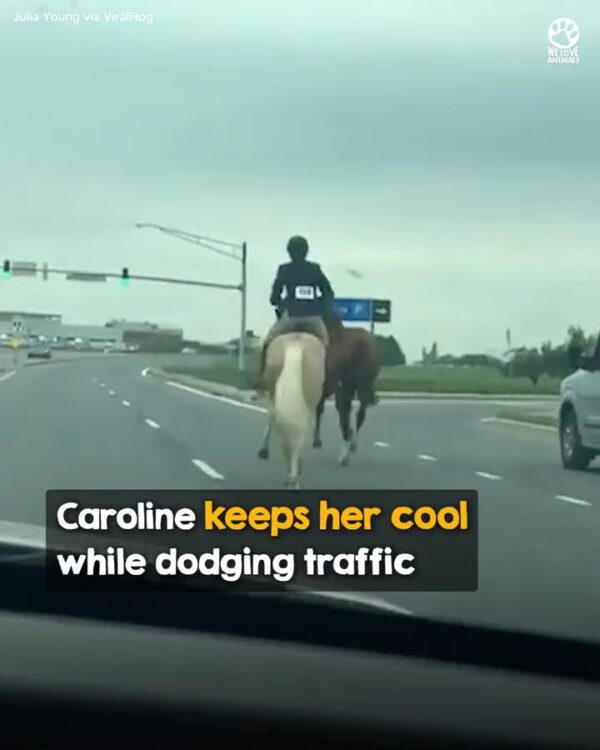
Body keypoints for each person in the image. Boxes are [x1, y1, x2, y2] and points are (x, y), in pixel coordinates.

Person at [254, 235, 335, 388]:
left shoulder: (284, 269)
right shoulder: (315, 269)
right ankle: (329, 380)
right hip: (313, 318)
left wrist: (278, 303)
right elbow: (328, 292)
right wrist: (322, 307)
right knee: (326, 345)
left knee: (267, 343)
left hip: (291, 317)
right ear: (306, 251)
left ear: (289, 252)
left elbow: (274, 295)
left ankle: (261, 377)